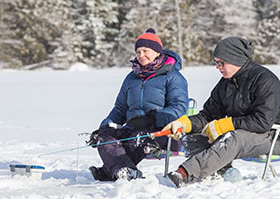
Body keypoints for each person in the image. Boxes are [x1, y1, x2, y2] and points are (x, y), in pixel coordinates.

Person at [163, 36, 280, 187]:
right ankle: (218, 171)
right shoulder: (226, 82)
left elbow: (263, 121)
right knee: (193, 135)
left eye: (221, 63)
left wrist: (226, 124)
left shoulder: (265, 80)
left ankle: (186, 173)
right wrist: (185, 123)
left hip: (270, 136)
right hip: (240, 133)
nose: (218, 67)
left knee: (231, 138)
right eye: (216, 63)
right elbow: (208, 115)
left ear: (236, 59)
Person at [88, 28, 189, 181]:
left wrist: (152, 119)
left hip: (164, 133)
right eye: (138, 52)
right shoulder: (131, 78)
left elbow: (179, 109)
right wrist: (104, 126)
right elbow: (120, 108)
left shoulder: (173, 77)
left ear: (157, 52)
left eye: (145, 50)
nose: (141, 55)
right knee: (105, 137)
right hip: (133, 128)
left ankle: (113, 170)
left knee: (138, 138)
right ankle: (121, 170)